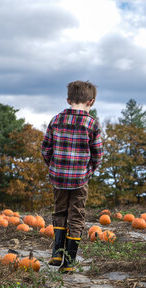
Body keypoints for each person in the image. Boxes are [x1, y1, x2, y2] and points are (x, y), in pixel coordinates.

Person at [41, 80, 103, 273]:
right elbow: (97, 154)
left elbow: (45, 148)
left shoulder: (57, 119)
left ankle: (57, 252)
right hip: (79, 179)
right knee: (76, 216)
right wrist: (88, 171)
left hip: (58, 177)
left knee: (60, 212)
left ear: (68, 99)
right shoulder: (91, 123)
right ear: (91, 102)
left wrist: (53, 166)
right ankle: (69, 263)